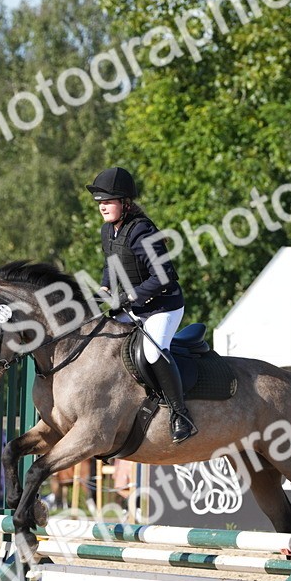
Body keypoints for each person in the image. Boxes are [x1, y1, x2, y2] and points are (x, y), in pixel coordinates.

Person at [88, 166, 197, 443]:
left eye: (108, 200)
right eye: (100, 201)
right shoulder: (108, 231)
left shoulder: (143, 231)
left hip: (164, 306)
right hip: (134, 307)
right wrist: (103, 290)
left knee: (151, 351)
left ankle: (179, 413)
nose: (102, 206)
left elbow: (164, 277)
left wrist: (127, 297)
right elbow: (111, 265)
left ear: (125, 203)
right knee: (104, 341)